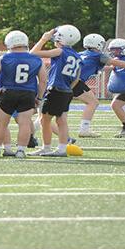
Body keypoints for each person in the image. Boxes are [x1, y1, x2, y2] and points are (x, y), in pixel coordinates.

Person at [0, 31, 47, 159]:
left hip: (7, 92)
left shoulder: (2, 59)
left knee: (1, 124)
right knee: (24, 124)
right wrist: (39, 97)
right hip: (28, 93)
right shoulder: (36, 59)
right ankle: (20, 151)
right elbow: (43, 80)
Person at [29, 26, 82, 157]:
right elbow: (76, 78)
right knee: (62, 120)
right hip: (67, 91)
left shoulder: (60, 51)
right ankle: (62, 149)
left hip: (56, 90)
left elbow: (32, 53)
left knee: (44, 120)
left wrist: (43, 39)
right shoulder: (77, 56)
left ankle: (46, 148)